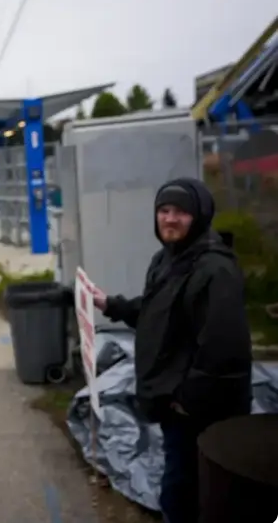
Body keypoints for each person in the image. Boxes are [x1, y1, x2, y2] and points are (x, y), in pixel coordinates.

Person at [92, 178, 251, 523]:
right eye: (164, 211)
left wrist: (186, 400)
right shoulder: (167, 259)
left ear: (200, 216)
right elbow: (156, 311)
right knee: (183, 486)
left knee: (188, 491)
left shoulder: (214, 269)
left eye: (181, 212)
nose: (170, 219)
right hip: (174, 401)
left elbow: (223, 349)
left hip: (200, 409)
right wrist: (111, 305)